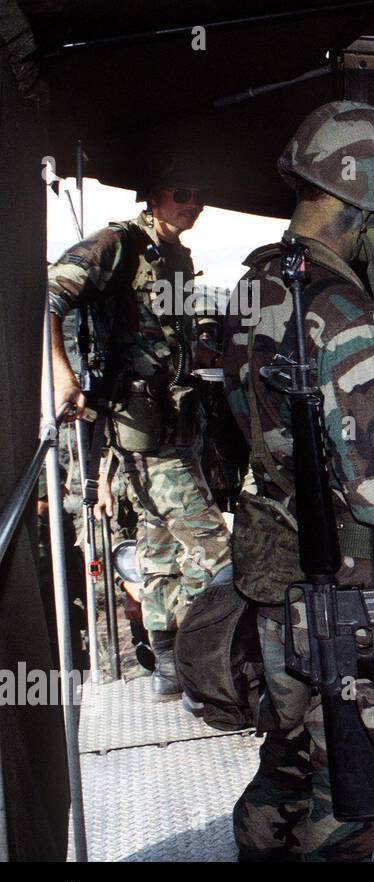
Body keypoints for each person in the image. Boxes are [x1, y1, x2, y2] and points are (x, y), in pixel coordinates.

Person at [222, 101, 374, 862]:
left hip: (278, 579)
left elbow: (276, 422)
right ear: (365, 201)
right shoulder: (347, 311)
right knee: (366, 807)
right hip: (351, 597)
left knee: (287, 764)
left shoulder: (256, 284)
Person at [46, 161, 231, 698]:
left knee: (160, 549)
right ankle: (210, 677)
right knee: (215, 551)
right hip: (137, 429)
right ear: (152, 196)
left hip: (171, 424)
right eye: (182, 192)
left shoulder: (177, 256)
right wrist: (60, 375)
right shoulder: (116, 244)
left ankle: (171, 669)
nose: (192, 202)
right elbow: (50, 295)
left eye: (201, 194)